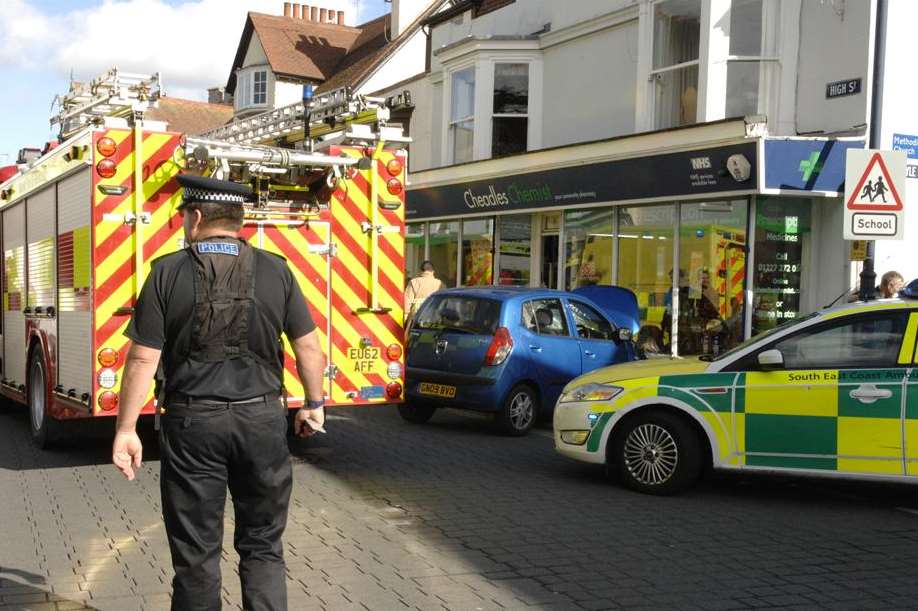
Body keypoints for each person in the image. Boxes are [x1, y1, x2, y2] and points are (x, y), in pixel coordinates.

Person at [111, 174, 327, 611]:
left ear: (194, 218)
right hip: (262, 422)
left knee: (196, 553)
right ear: (239, 221)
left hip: (193, 426)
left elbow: (141, 360)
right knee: (264, 544)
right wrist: (314, 403)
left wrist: (126, 429)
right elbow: (308, 346)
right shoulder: (276, 270)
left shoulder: (166, 273)